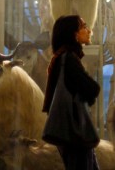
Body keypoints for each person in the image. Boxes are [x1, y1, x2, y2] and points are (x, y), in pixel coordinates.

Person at [42, 15, 101, 170]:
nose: (89, 31)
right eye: (84, 27)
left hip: (68, 132)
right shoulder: (68, 58)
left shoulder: (60, 57)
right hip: (75, 132)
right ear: (74, 34)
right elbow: (91, 88)